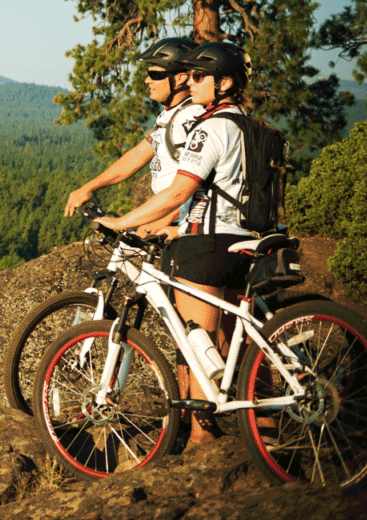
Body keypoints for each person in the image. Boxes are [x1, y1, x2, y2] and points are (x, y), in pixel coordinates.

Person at [95, 41, 254, 446]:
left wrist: (123, 223)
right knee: (241, 349)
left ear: (224, 83)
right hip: (247, 242)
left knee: (196, 344)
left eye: (201, 76)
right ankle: (264, 437)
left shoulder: (209, 126)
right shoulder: (251, 125)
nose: (193, 82)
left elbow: (179, 193)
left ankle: (202, 440)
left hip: (205, 243)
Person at [64, 37, 204, 238]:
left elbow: (198, 182)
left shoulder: (190, 117)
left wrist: (162, 219)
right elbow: (136, 157)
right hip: (167, 215)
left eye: (155, 74)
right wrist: (89, 187)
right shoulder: (171, 115)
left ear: (181, 78)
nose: (147, 80)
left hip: (179, 222)